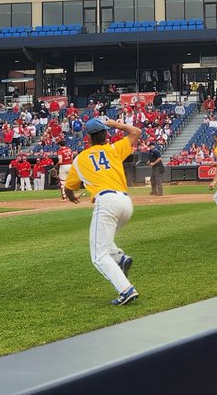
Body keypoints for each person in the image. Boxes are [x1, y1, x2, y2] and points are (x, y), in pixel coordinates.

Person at [63, 117, 142, 306]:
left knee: (98, 256)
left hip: (106, 202)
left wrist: (71, 196)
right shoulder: (113, 149)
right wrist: (116, 125)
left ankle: (126, 289)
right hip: (125, 202)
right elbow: (136, 132)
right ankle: (119, 258)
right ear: (106, 135)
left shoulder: (80, 159)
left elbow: (69, 186)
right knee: (105, 242)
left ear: (88, 138)